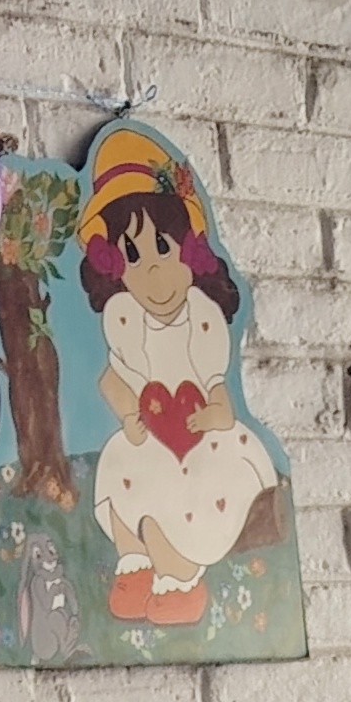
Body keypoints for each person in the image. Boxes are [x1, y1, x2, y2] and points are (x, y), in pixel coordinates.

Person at [77, 127, 277, 627]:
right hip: (150, 433)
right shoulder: (125, 317)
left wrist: (210, 417)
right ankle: (135, 565)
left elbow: (220, 398)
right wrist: (128, 414)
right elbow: (112, 380)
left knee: (179, 500)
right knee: (122, 474)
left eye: (162, 249)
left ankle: (180, 579)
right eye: (133, 256)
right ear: (115, 266)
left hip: (202, 443)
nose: (152, 272)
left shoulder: (202, 319)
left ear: (190, 253)